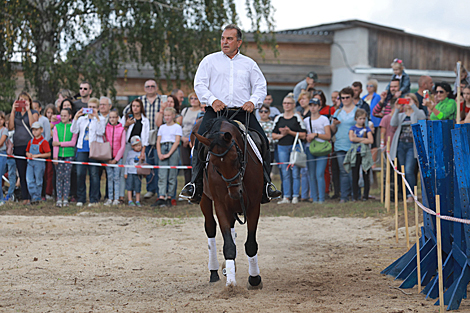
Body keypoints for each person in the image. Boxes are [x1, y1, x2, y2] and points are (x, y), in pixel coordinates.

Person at [180, 24, 281, 204]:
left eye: (229, 39)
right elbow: (199, 84)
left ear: (239, 42)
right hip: (216, 112)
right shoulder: (209, 61)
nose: (224, 42)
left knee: (263, 142)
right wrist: (212, 100)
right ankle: (195, 185)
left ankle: (266, 185)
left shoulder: (249, 64)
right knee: (199, 142)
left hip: (242, 113)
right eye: (223, 38)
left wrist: (253, 102)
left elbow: (260, 87)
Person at [390, 94, 426, 203]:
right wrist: (396, 109)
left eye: (409, 101)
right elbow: (393, 123)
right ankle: (406, 193)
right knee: (403, 171)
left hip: (412, 146)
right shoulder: (401, 115)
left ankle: (411, 194)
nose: (407, 103)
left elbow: (422, 117)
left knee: (409, 169)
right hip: (401, 145)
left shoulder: (417, 113)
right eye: (405, 101)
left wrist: (413, 106)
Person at [272, 94, 307, 204]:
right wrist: (283, 134)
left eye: (289, 103)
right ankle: (286, 196)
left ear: (293, 105)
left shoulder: (297, 117)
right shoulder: (279, 118)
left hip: (294, 147)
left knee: (295, 172)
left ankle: (295, 196)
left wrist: (290, 132)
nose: (287, 105)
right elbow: (273, 135)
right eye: (285, 103)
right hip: (282, 147)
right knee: (285, 172)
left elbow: (303, 134)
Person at [71, 98, 106, 206]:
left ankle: (93, 199)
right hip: (82, 148)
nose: (91, 109)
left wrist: (97, 118)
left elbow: (101, 132)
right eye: (89, 107)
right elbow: (74, 130)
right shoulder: (82, 119)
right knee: (80, 173)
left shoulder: (101, 119)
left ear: (98, 108)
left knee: (94, 174)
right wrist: (76, 117)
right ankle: (81, 198)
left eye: (94, 107)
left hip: (94, 148)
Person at [9, 92, 39, 205]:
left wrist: (28, 110)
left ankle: (34, 196)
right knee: (21, 172)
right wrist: (13, 110)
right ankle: (25, 197)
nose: (22, 101)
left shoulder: (33, 112)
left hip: (30, 145)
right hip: (18, 145)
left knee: (31, 172)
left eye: (25, 100)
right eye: (20, 100)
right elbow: (11, 127)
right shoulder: (16, 114)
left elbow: (33, 126)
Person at [330, 87, 358, 203]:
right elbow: (333, 130)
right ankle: (344, 196)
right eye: (342, 98)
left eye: (347, 97)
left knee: (353, 171)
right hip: (340, 144)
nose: (345, 99)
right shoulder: (338, 112)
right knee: (343, 171)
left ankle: (354, 195)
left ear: (352, 97)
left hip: (353, 145)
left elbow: (364, 127)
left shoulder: (357, 111)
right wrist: (334, 124)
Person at [120, 99, 149, 203]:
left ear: (141, 107)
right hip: (127, 145)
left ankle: (135, 196)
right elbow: (121, 132)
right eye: (133, 106)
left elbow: (146, 137)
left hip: (139, 147)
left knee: (137, 172)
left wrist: (143, 151)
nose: (135, 108)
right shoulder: (127, 117)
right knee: (125, 170)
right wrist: (127, 124)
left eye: (137, 106)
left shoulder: (145, 120)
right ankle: (122, 196)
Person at [153, 107, 182, 207]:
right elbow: (158, 141)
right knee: (162, 175)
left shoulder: (177, 127)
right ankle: (161, 196)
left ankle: (170, 196)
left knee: (172, 175)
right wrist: (159, 153)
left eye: (169, 115)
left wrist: (169, 154)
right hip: (163, 147)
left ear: (173, 116)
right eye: (165, 115)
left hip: (172, 149)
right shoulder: (162, 127)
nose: (167, 117)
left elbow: (177, 141)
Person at [304, 98, 331, 203]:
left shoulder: (324, 119)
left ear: (319, 107)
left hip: (322, 149)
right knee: (311, 175)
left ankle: (321, 198)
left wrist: (316, 135)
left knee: (319, 174)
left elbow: (328, 136)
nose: (313, 107)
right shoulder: (306, 120)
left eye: (315, 105)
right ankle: (314, 198)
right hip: (309, 148)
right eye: (311, 105)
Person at [52, 108, 77, 207]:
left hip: (69, 155)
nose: (63, 117)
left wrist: (60, 143)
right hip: (59, 156)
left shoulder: (73, 127)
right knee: (59, 177)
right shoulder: (57, 127)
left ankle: (65, 198)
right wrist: (55, 157)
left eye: (65, 116)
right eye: (61, 116)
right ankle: (59, 198)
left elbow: (72, 143)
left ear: (70, 116)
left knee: (67, 177)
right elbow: (55, 142)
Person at [346, 109, 373, 201]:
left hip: (365, 153)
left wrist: (358, 139)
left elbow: (370, 140)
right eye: (360, 118)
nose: (362, 121)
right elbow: (351, 138)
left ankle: (365, 195)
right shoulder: (352, 128)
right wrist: (362, 140)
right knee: (355, 175)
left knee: (366, 174)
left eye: (363, 119)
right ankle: (355, 195)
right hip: (355, 153)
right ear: (356, 119)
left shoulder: (367, 128)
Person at [32, 100, 53, 200]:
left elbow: (47, 136)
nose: (34, 110)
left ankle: (44, 193)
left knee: (44, 172)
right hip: (33, 149)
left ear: (40, 109)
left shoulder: (44, 120)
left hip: (42, 149)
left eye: (35, 108)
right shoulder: (30, 119)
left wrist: (43, 147)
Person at [25, 122, 51, 204]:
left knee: (38, 181)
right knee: (29, 180)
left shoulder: (44, 142)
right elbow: (26, 151)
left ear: (41, 130)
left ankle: (37, 197)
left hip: (39, 163)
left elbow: (48, 154)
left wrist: (38, 155)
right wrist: (28, 154)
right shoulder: (31, 141)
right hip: (30, 163)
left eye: (37, 130)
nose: (35, 132)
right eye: (33, 130)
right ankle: (34, 196)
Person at [104, 109, 125, 206]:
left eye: (114, 117)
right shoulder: (106, 128)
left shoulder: (122, 129)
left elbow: (122, 146)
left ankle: (116, 198)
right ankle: (110, 198)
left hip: (118, 158)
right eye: (110, 117)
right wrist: (107, 157)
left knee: (117, 178)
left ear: (117, 118)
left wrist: (116, 159)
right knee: (109, 178)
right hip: (108, 158)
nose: (112, 119)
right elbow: (104, 142)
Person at [180, 92, 201, 185]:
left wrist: (190, 140)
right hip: (183, 140)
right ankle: (187, 186)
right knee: (185, 165)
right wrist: (182, 138)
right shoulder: (185, 110)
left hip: (195, 140)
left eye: (195, 98)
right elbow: (179, 125)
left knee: (196, 164)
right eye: (191, 98)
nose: (193, 100)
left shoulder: (201, 111)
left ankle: (195, 185)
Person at [124, 135, 144, 207]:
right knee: (129, 187)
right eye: (136, 146)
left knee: (138, 187)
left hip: (138, 173)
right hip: (130, 173)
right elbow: (127, 163)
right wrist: (125, 173)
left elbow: (144, 164)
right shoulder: (129, 153)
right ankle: (130, 200)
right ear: (132, 146)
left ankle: (138, 201)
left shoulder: (142, 154)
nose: (138, 147)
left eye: (139, 145)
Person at [258, 104, 275, 175]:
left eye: (265, 111)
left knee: (268, 170)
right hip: (259, 150)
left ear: (269, 112)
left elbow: (276, 136)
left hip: (270, 150)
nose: (263, 113)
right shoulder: (256, 123)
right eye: (261, 111)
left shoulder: (273, 123)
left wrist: (270, 141)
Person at [4, 115, 17, 201]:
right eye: (6, 123)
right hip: (4, 156)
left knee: (12, 176)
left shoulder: (15, 133)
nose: (8, 125)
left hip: (12, 157)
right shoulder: (3, 132)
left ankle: (10, 194)